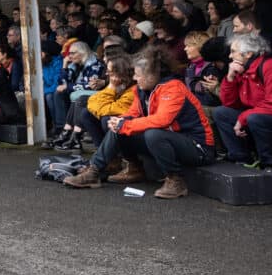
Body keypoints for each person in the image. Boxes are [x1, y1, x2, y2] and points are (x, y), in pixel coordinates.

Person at [63, 46, 215, 199]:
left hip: (198, 147)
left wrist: (125, 124)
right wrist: (120, 121)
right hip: (170, 140)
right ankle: (96, 171)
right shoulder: (141, 89)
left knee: (153, 134)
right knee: (120, 128)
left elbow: (162, 120)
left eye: (138, 74)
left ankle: (176, 180)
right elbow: (132, 114)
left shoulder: (173, 88)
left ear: (152, 75)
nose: (135, 78)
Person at [214, 33, 272, 168]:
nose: (230, 56)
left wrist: (243, 117)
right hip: (255, 114)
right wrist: (230, 78)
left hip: (263, 115)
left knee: (254, 118)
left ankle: (268, 163)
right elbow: (229, 103)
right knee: (221, 113)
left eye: (233, 51)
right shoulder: (242, 69)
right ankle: (241, 159)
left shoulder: (268, 66)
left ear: (248, 54)